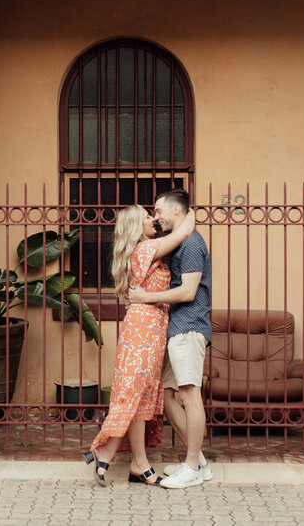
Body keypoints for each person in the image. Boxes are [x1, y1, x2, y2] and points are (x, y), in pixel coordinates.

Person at [82, 204, 195, 487]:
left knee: (144, 396)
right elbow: (184, 231)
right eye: (147, 216)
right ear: (135, 226)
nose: (153, 219)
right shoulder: (144, 249)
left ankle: (138, 462)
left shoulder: (148, 249)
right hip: (143, 329)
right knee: (132, 392)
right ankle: (105, 450)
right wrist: (186, 209)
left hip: (153, 328)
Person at [129, 188, 212, 489]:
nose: (156, 216)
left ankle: (191, 467)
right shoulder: (179, 241)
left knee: (190, 395)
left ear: (176, 211)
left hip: (189, 327)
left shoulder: (190, 244)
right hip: (176, 328)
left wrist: (145, 297)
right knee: (167, 395)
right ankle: (198, 460)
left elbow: (188, 291)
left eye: (159, 210)